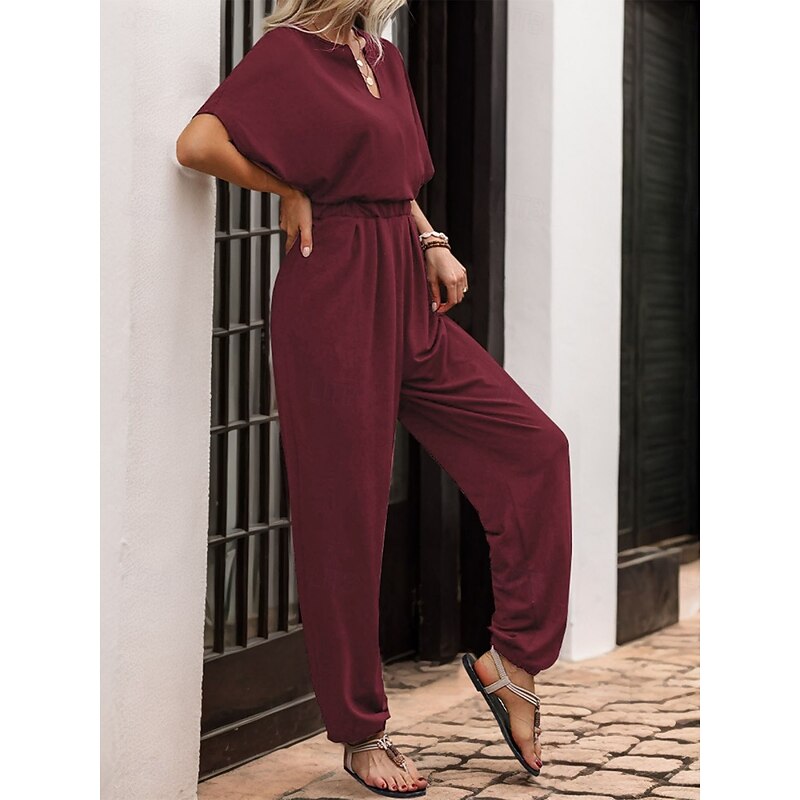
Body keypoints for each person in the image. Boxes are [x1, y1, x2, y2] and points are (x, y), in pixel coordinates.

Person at [176, 1, 572, 796]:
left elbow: (391, 173)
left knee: (534, 448)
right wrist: (284, 188)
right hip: (333, 288)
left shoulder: (381, 56)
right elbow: (198, 144)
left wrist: (431, 240)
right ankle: (361, 732)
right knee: (346, 515)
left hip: (402, 278)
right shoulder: (288, 54)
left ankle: (514, 658)